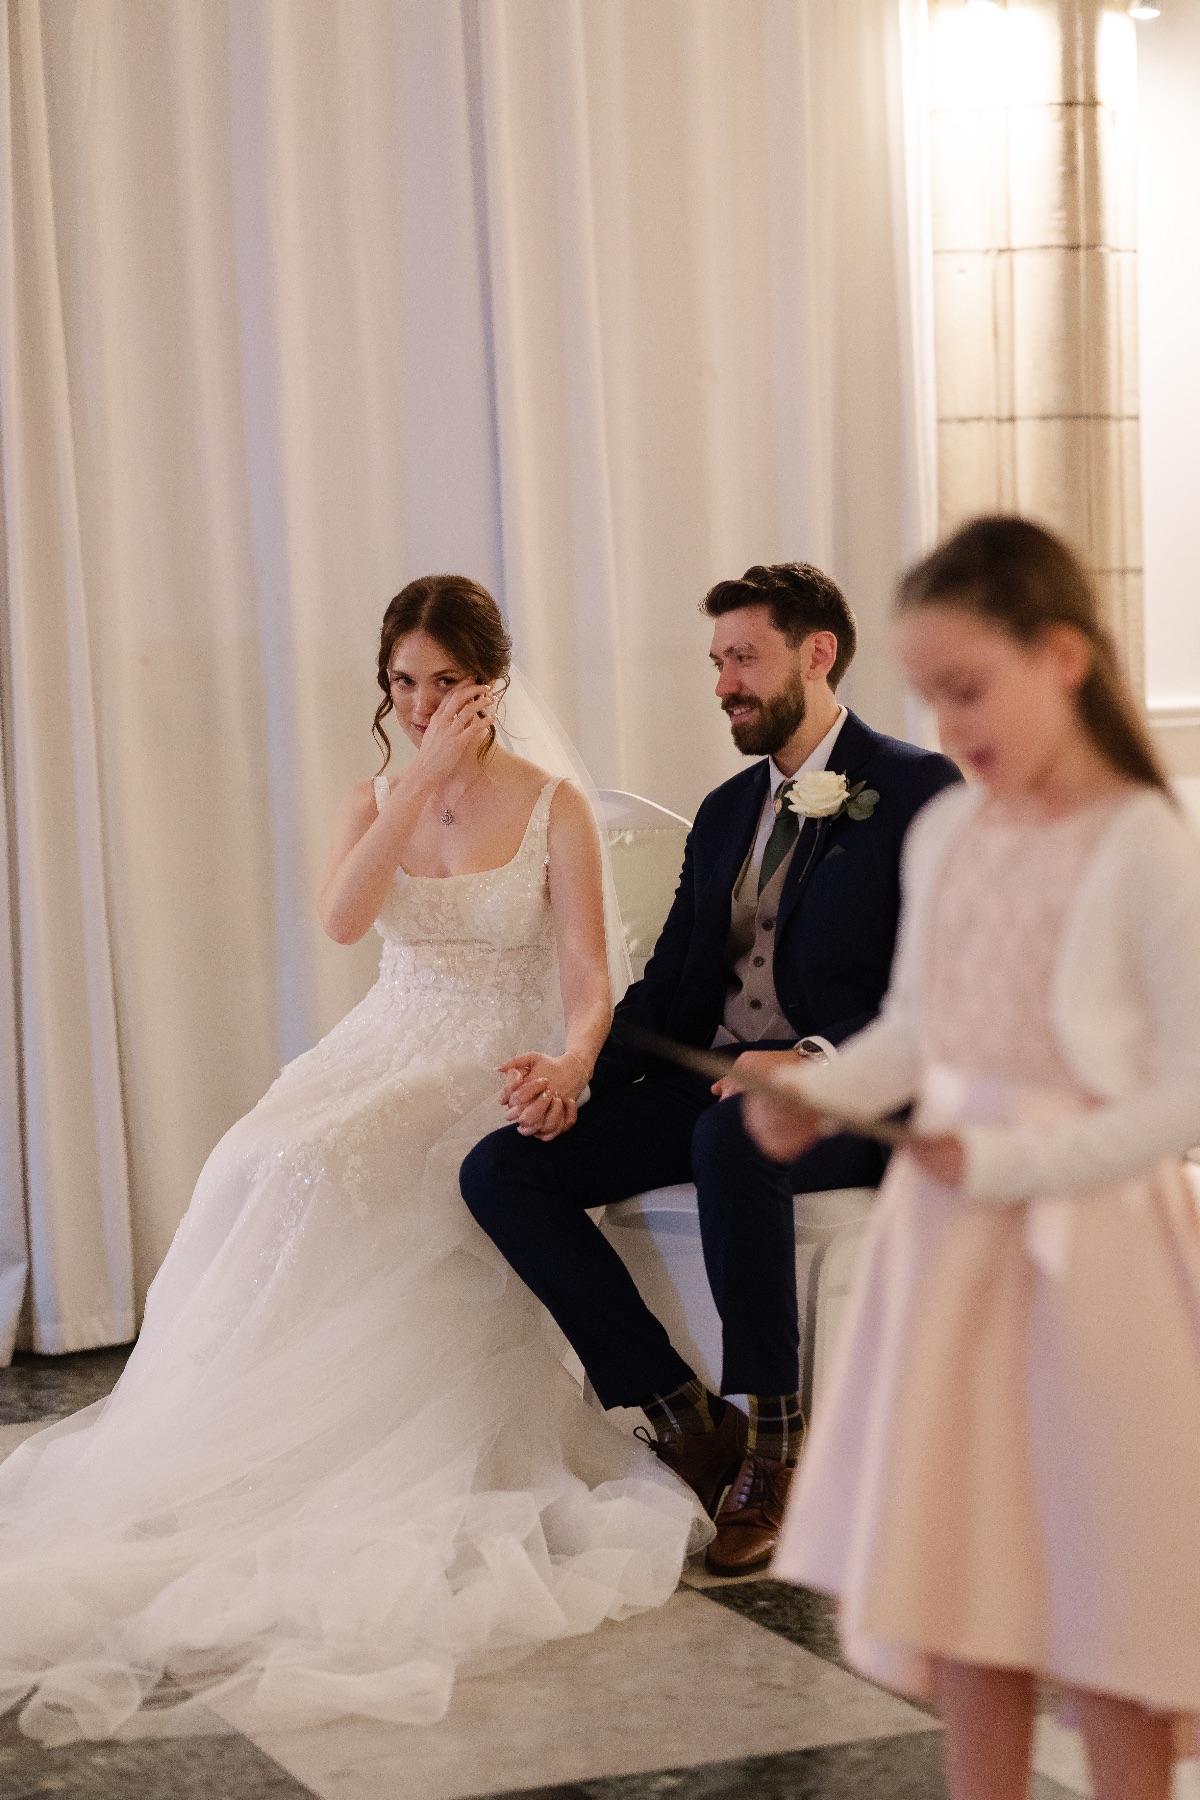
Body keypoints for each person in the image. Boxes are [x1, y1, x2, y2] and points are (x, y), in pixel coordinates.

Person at [0, 574, 706, 1745]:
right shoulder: (375, 793)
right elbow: (340, 919)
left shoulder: (552, 804)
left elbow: (591, 976)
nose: (422, 703)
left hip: (490, 1047)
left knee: (324, 1169)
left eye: (443, 682)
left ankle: (355, 1442)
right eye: (403, 683)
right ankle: (231, 1439)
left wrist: (574, 1062)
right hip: (389, 1033)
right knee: (255, 1156)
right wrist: (416, 784)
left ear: (489, 682)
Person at [745, 518, 1200, 1800]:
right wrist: (818, 1095)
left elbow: (1188, 1087)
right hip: (953, 1249)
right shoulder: (951, 833)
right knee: (973, 1589)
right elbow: (922, 1027)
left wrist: (1005, 1158)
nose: (949, 725)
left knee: (1112, 1601)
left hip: (1096, 1246)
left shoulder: (1142, 845)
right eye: (929, 696)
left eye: (968, 688)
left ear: (1062, 657)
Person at [461, 561, 960, 1576]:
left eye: (745, 658)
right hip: (712, 1082)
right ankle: (687, 1423)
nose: (724, 682)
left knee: (734, 1129)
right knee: (501, 1169)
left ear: (817, 655)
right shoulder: (730, 808)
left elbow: (940, 986)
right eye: (717, 661)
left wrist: (812, 1058)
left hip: (852, 1097)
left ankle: (773, 1452)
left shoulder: (918, 789)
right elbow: (671, 985)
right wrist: (578, 1069)